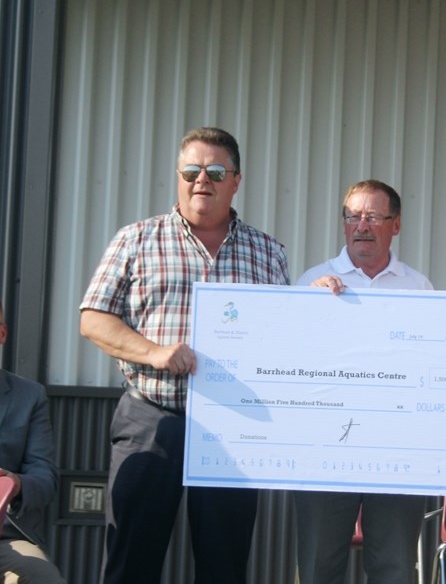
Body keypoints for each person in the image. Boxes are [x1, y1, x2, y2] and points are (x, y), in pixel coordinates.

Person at [79, 127, 289, 584]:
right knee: (131, 559)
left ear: (237, 180)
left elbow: (284, 335)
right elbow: (93, 319)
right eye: (191, 171)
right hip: (152, 418)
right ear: (178, 176)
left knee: (224, 565)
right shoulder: (136, 240)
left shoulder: (268, 252)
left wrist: (320, 300)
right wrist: (153, 352)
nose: (202, 181)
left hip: (234, 429)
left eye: (216, 171)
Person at [294, 179, 432, 584]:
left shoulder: (418, 287)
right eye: (353, 216)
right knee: (319, 565)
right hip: (324, 447)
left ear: (396, 224)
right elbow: (288, 364)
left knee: (393, 568)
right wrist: (308, 308)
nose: (362, 226)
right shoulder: (312, 282)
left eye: (373, 216)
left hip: (396, 447)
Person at [0, 288, 66, 583]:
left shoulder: (28, 396)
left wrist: (16, 484)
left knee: (41, 577)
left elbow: (45, 478)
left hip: (1, 537)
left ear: (2, 333)